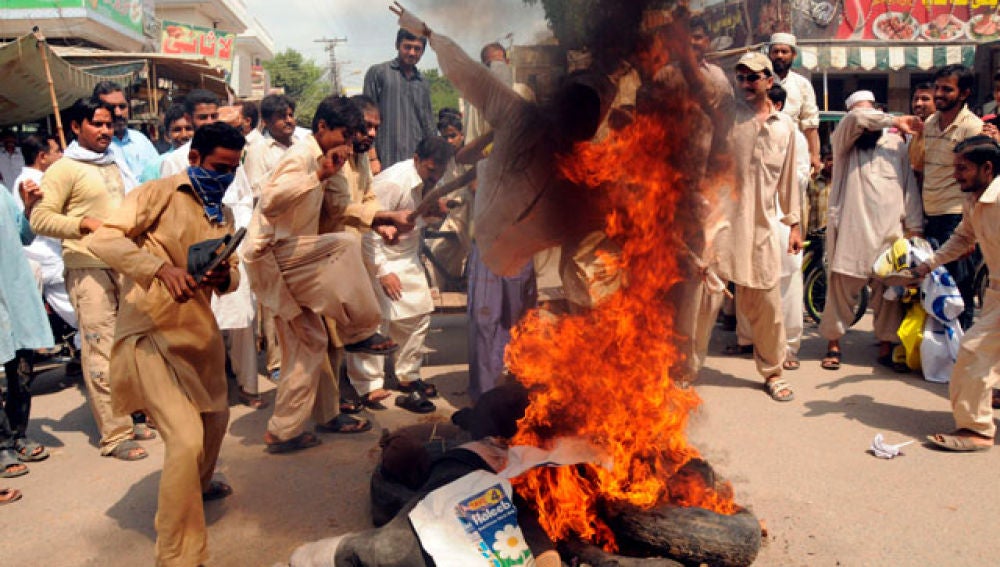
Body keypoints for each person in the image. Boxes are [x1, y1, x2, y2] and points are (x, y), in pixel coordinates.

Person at [87, 122, 245, 565]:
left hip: (199, 334)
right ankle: (178, 553)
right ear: (194, 159)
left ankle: (195, 487)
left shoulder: (225, 215)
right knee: (185, 439)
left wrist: (223, 275)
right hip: (151, 330)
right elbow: (103, 237)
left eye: (233, 170)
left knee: (215, 419)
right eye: (218, 167)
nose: (224, 177)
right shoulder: (157, 193)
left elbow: (231, 275)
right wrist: (158, 268)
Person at [244, 95, 413, 452]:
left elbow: (352, 201)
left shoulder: (332, 157)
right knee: (343, 244)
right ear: (322, 127)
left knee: (311, 343)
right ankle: (361, 331)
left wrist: (380, 218)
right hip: (275, 256)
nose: (349, 143)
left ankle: (283, 431)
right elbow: (272, 201)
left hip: (292, 258)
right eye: (345, 134)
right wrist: (318, 175)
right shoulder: (302, 156)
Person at [30, 98, 148, 461]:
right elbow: (40, 219)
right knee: (101, 347)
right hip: (87, 266)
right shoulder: (64, 169)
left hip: (123, 263)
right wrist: (83, 224)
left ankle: (134, 413)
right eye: (97, 124)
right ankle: (115, 435)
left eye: (109, 124)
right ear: (77, 127)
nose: (105, 131)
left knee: (131, 344)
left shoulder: (114, 161)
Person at [716, 51, 802, 402]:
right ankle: (682, 371)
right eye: (741, 77)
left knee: (767, 305)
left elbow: (789, 184)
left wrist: (794, 226)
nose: (746, 83)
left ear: (770, 81)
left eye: (753, 77)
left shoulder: (786, 129)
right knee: (699, 305)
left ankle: (773, 371)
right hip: (718, 227)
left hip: (761, 227)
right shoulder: (724, 122)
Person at [346, 137, 454, 414]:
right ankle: (368, 385)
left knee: (419, 313)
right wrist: (382, 272)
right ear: (417, 159)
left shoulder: (435, 180)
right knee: (376, 321)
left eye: (440, 171)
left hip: (406, 255)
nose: (436, 176)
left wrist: (436, 214)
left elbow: (419, 221)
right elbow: (368, 226)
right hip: (377, 253)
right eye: (431, 170)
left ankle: (408, 375)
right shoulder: (393, 182)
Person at [819, 91, 924, 371]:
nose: (866, 123)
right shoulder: (844, 143)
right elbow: (856, 118)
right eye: (863, 117)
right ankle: (834, 344)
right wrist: (894, 118)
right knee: (841, 292)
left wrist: (914, 227)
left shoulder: (896, 144)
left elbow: (908, 188)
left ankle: (886, 346)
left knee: (887, 294)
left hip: (889, 232)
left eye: (871, 114)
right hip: (852, 230)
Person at [920, 136, 1000, 452]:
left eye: (962, 168)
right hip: (994, 292)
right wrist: (926, 266)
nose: (956, 175)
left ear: (987, 167)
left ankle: (977, 430)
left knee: (972, 350)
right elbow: (962, 238)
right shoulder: (973, 201)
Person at [1, 180, 55, 480]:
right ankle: (1, 445)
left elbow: (23, 234)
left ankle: (19, 435)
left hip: (13, 293)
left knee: (20, 369)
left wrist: (29, 206)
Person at [922, 65, 984, 330]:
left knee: (959, 289)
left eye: (947, 89)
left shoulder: (972, 127)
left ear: (964, 93)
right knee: (936, 287)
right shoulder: (930, 123)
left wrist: (970, 230)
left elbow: (977, 180)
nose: (939, 94)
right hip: (930, 215)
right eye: (937, 88)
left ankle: (962, 355)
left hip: (956, 217)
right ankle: (941, 356)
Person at [243, 94, 299, 384]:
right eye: (281, 117)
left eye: (290, 114)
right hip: (272, 230)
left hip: (299, 229)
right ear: (266, 122)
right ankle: (275, 361)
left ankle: (296, 356)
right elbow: (255, 191)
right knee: (273, 303)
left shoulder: (303, 144)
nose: (288, 121)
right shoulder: (260, 150)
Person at [12, 135, 75, 332]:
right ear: (42, 156)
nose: (62, 155)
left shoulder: (26, 180)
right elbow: (46, 224)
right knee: (77, 311)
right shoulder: (35, 183)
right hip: (48, 256)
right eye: (57, 151)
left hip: (50, 255)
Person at [363, 28, 436, 168]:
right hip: (385, 159)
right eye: (407, 47)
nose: (412, 52)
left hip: (415, 162)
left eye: (417, 49)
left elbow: (428, 124)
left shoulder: (423, 82)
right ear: (397, 45)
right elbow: (365, 118)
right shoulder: (378, 73)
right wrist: (372, 158)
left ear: (423, 51)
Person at [768, 33, 821, 175]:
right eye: (775, 51)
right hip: (765, 145)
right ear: (769, 54)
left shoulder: (802, 84)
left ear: (793, 55)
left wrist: (814, 155)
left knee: (794, 193)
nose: (779, 55)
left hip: (795, 147)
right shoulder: (759, 81)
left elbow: (810, 122)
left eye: (784, 52)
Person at [93, 81, 159, 184]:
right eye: (111, 107)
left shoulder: (140, 139)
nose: (118, 113)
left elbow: (158, 171)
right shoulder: (95, 145)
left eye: (122, 107)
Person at [160, 90, 221, 177]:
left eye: (213, 116)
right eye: (203, 117)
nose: (210, 122)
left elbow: (243, 189)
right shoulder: (174, 162)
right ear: (188, 118)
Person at [139, 103, 195, 182]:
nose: (184, 135)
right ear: (167, 135)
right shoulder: (154, 166)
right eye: (177, 130)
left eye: (188, 128)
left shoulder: (204, 161)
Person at [908, 82, 936, 187]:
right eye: (915, 99)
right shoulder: (915, 132)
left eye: (925, 99)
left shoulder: (941, 130)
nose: (918, 103)